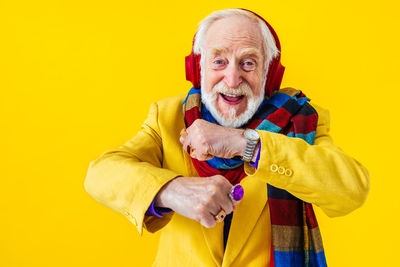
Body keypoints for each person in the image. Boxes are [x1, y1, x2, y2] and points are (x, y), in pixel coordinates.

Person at [84, 8, 369, 267]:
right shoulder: (167, 117)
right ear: (199, 69)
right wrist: (170, 190)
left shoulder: (300, 120)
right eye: (219, 61)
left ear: (269, 75)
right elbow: (101, 174)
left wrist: (246, 144)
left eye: (248, 63)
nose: (232, 80)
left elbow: (351, 190)